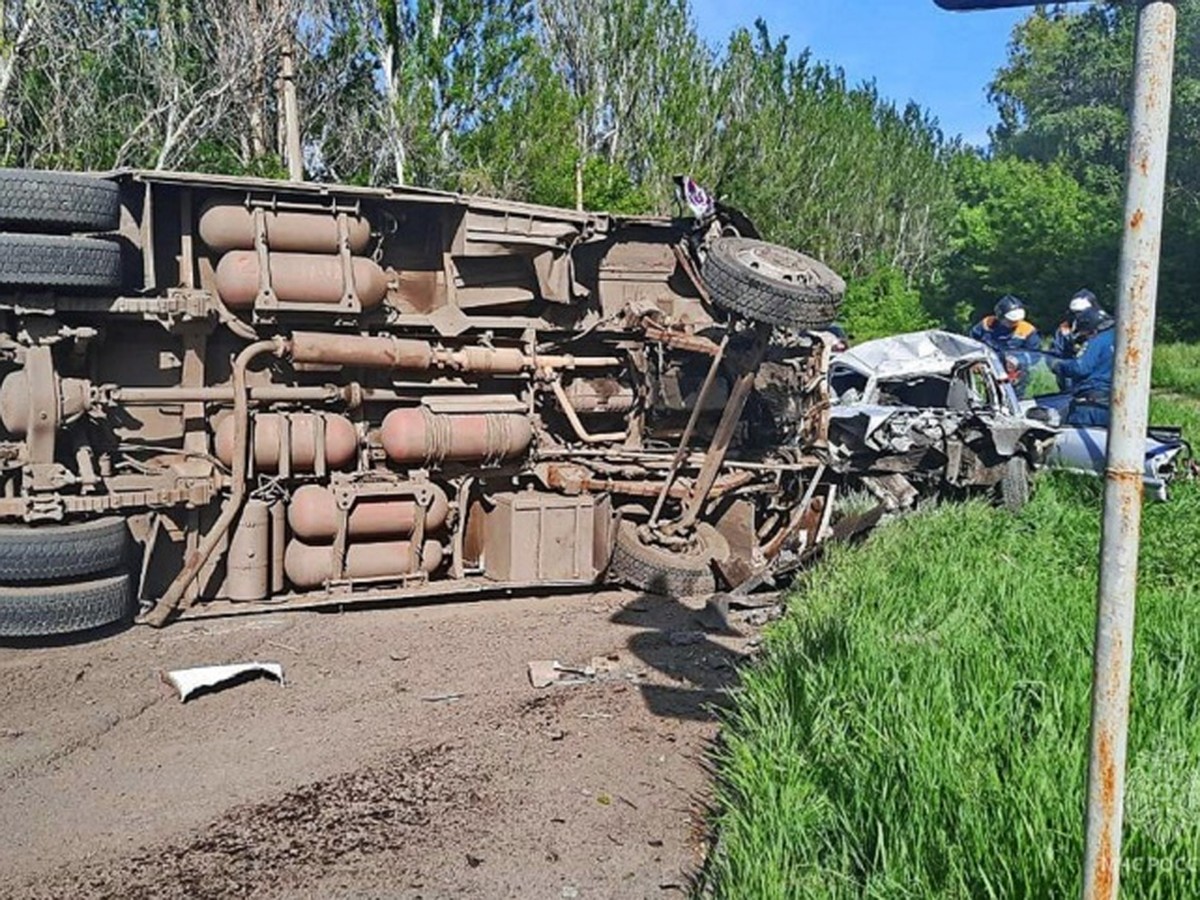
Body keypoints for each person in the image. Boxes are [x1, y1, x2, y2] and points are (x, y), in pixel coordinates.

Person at [1049, 307, 1115, 426]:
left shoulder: (1096, 340)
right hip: (1113, 403)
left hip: (1090, 405)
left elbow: (1081, 367)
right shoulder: (1119, 337)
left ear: (1090, 329)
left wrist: (1059, 366)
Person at [969, 295, 1041, 395]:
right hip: (989, 370)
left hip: (1016, 374)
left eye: (1017, 320)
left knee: (1014, 399)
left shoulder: (1027, 330)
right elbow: (972, 343)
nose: (1014, 323)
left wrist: (1018, 361)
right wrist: (975, 360)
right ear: (1000, 316)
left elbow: (1035, 355)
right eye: (1010, 321)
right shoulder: (987, 325)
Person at [1050, 289, 1114, 391]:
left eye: (1081, 313)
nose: (1078, 317)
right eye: (1075, 313)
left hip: (1093, 385)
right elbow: (1055, 353)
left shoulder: (1102, 334)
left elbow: (1081, 367)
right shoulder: (1064, 329)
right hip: (1073, 379)